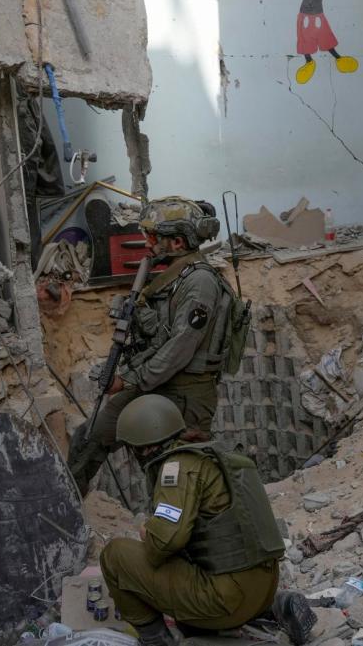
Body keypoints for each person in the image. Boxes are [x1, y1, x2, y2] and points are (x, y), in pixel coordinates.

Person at [99, 394, 315, 646]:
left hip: (228, 599)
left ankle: (156, 640)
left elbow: (163, 544)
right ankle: (274, 606)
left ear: (144, 447)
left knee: (115, 555)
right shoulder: (211, 454)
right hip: (264, 584)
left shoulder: (177, 468)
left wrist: (147, 531)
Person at [69, 196, 237, 494]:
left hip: (186, 395)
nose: (147, 242)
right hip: (158, 383)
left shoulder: (199, 282)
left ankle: (175, 534)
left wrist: (129, 379)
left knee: (175, 475)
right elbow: (162, 338)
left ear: (178, 243)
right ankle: (67, 504)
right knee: (91, 437)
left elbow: (180, 348)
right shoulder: (174, 277)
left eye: (155, 236)